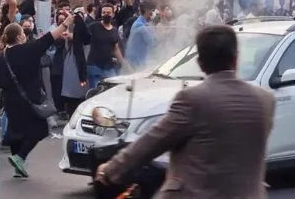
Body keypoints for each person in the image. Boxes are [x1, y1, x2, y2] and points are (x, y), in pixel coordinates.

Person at [96, 25, 276, 199]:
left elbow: (150, 144)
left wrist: (110, 170)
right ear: (235, 59)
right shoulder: (265, 100)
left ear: (200, 63)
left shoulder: (192, 99)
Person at [0, 14, 75, 178]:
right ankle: (20, 157)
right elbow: (50, 38)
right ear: (21, 36)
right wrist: (65, 24)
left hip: (10, 101)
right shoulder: (29, 49)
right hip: (29, 100)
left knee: (16, 132)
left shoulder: (1, 58)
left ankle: (18, 168)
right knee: (40, 129)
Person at [125, 1, 156, 71]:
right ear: (147, 11)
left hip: (139, 60)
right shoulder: (141, 26)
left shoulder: (140, 23)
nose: (154, 13)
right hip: (137, 63)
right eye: (153, 10)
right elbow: (153, 43)